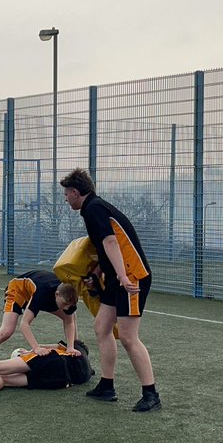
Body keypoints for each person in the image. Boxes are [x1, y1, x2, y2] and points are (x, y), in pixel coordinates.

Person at [60, 167, 161, 412]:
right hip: (117, 277)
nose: (65, 199)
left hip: (132, 277)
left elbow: (110, 241)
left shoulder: (93, 208)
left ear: (75, 192)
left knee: (128, 336)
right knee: (102, 327)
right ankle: (107, 386)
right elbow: (104, 248)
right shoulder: (93, 208)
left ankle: (151, 394)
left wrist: (123, 277)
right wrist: (96, 274)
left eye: (66, 194)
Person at [0, 270, 79, 366]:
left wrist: (70, 348)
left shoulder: (69, 299)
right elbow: (24, 324)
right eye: (64, 304)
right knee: (6, 331)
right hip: (18, 290)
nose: (66, 307)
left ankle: (76, 353)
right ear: (57, 294)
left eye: (69, 305)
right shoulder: (41, 293)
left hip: (40, 293)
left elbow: (69, 321)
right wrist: (36, 348)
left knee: (71, 317)